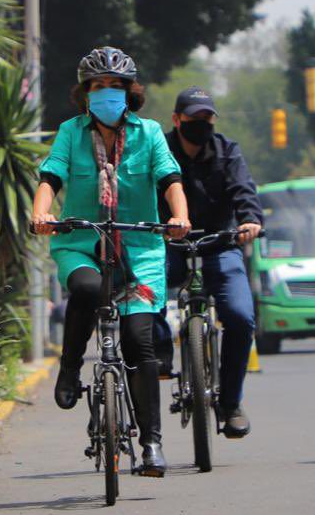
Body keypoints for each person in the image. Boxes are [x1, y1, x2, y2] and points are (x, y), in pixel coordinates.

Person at [30, 47, 190, 476]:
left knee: (140, 340)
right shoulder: (70, 132)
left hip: (141, 250)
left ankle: (152, 444)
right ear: (85, 94)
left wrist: (179, 215)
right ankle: (69, 370)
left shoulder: (150, 133)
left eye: (114, 86)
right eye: (97, 86)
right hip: (81, 243)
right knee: (84, 289)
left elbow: (169, 178)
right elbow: (51, 176)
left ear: (128, 91)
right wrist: (42, 212)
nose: (106, 93)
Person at [154, 86, 264, 439]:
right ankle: (160, 352)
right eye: (193, 118)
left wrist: (249, 220)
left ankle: (230, 403)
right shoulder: (159, 149)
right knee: (145, 289)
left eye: (207, 118)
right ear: (176, 120)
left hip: (219, 242)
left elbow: (243, 190)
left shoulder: (227, 150)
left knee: (241, 317)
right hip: (167, 242)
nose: (201, 125)